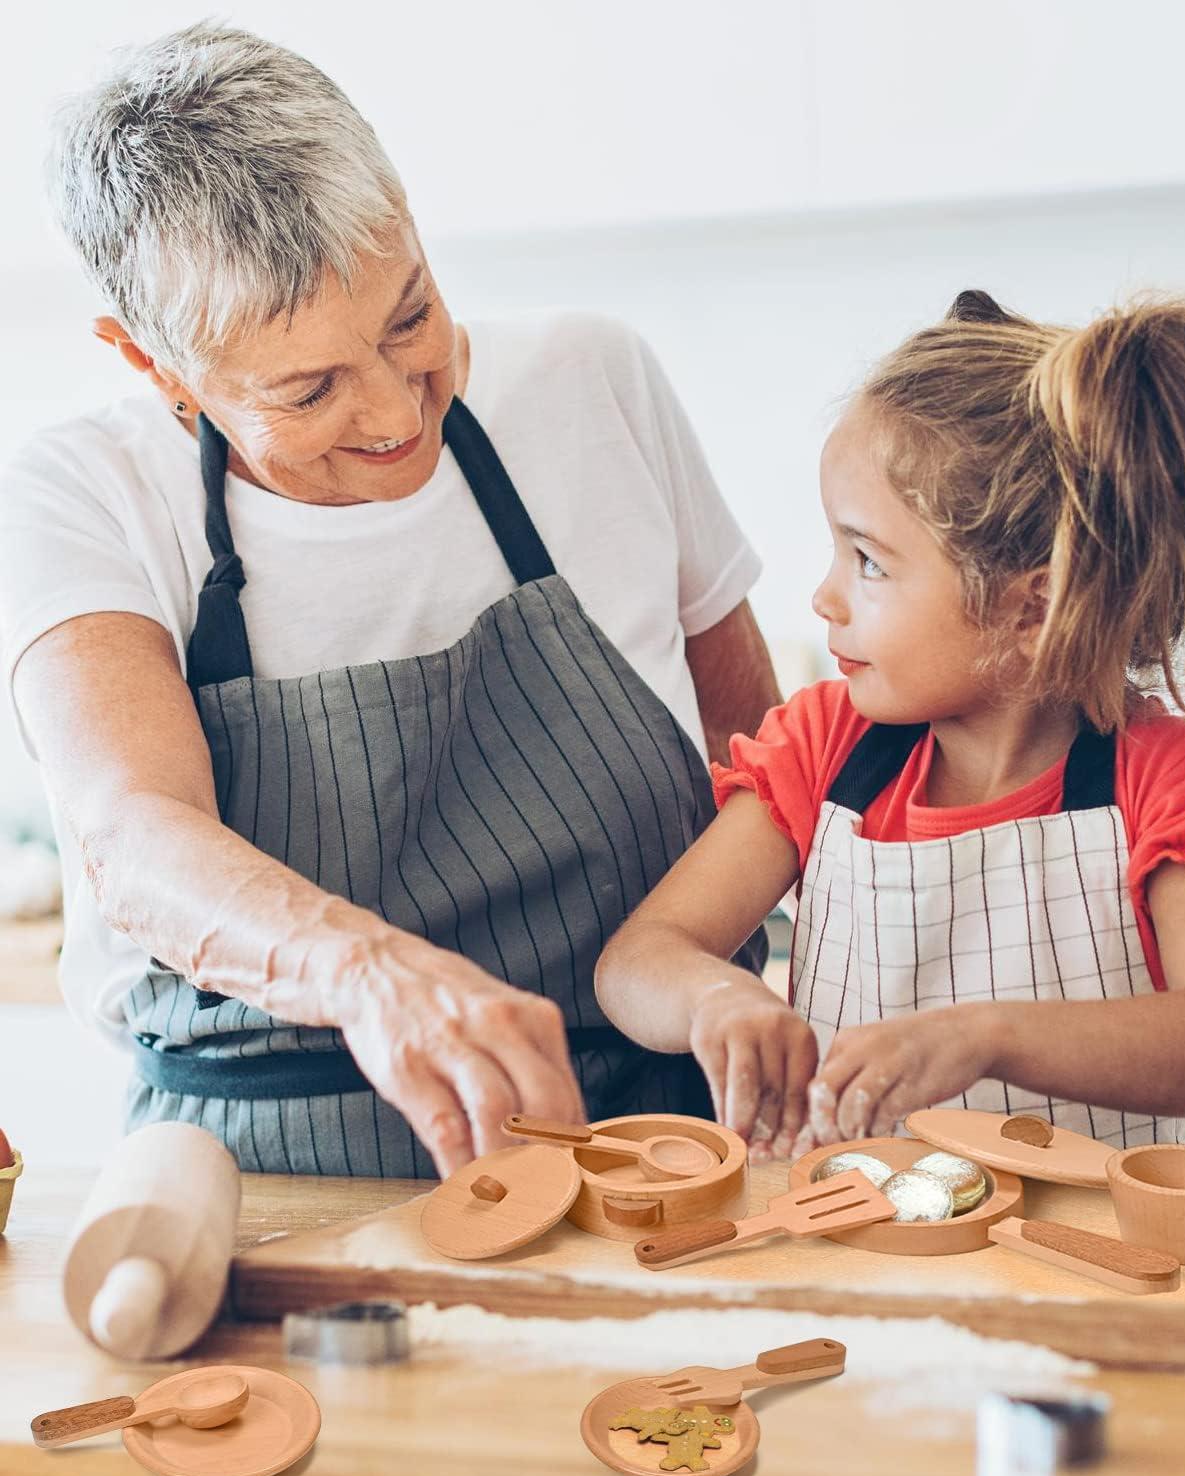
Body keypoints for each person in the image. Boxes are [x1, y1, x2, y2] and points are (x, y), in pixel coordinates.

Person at [0, 23, 776, 1178]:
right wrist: (372, 977)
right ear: (154, 367)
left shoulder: (591, 380)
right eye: (309, 388)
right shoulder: (76, 495)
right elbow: (133, 837)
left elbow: (763, 759)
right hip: (272, 1176)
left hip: (669, 1148)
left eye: (411, 318)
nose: (395, 413)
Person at [595, 289, 1185, 1163]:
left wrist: (989, 1036)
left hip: (1084, 1270)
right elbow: (636, 960)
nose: (824, 596)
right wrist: (715, 1000)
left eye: (868, 562)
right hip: (846, 1251)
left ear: (1032, 606)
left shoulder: (1169, 783)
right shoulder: (825, 751)